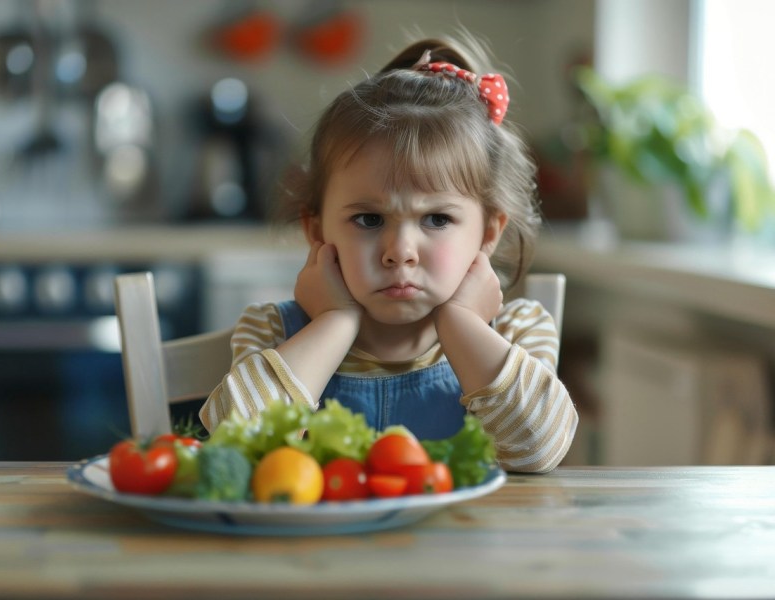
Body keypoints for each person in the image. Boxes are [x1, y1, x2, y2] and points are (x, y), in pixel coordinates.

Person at [199, 34, 578, 473]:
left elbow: (539, 452)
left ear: (488, 232)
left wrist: (461, 323)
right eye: (369, 220)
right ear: (317, 230)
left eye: (436, 220)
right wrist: (334, 323)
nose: (399, 253)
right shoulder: (272, 331)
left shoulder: (517, 330)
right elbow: (232, 450)